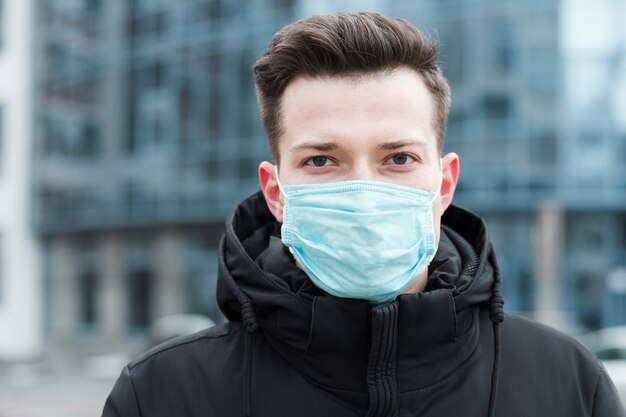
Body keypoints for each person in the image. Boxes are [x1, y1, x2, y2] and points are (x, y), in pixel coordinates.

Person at [102, 12, 625, 417]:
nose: (363, 190)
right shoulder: (162, 394)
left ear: (443, 184)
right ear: (276, 192)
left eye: (398, 158)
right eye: (321, 160)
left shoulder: (567, 384)